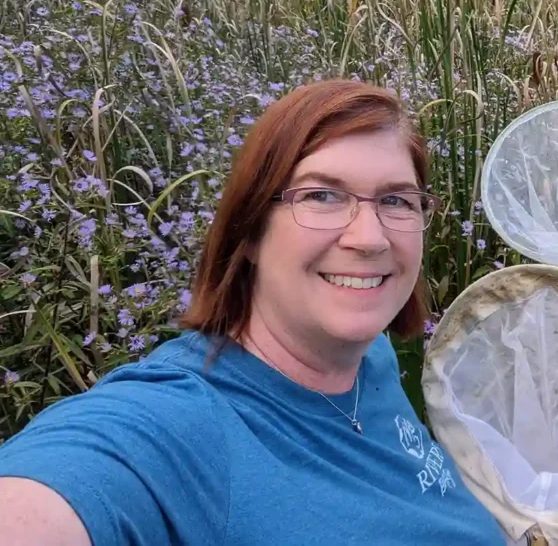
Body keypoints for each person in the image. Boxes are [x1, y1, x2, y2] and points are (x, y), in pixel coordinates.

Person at [0, 79, 510, 544]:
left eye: (396, 201)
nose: (369, 238)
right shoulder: (180, 426)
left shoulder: (367, 356)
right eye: (322, 195)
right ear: (248, 231)